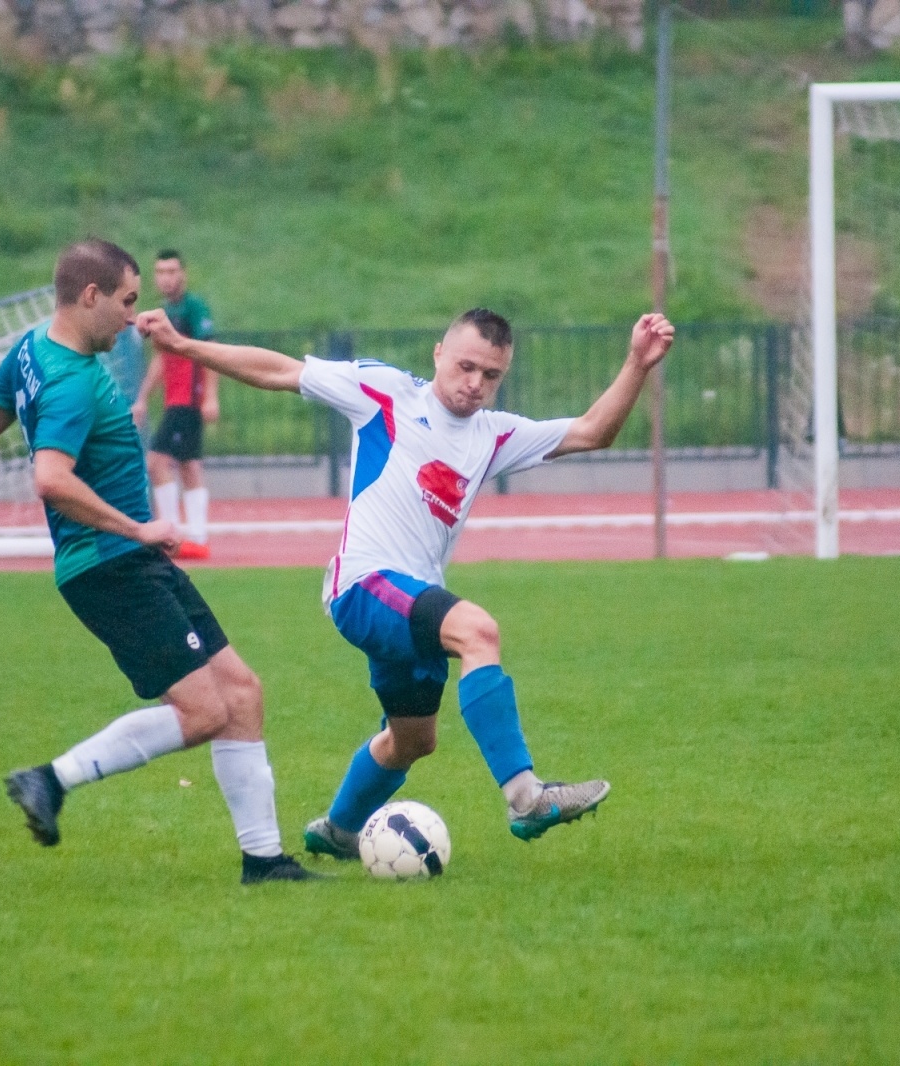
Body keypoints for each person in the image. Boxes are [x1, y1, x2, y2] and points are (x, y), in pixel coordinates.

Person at [135, 305, 676, 860]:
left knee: (413, 740)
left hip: (411, 600)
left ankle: (339, 831)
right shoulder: (386, 392)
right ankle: (525, 798)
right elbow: (279, 370)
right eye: (466, 367)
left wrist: (637, 363)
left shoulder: (494, 434)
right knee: (477, 631)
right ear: (438, 354)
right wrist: (183, 346)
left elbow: (593, 432)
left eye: (491, 376)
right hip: (364, 584)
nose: (475, 384)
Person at [0, 239, 317, 884]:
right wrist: (138, 528)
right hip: (109, 564)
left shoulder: (31, 349)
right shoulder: (71, 381)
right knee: (204, 712)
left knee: (243, 692)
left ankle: (265, 861)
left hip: (129, 560)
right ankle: (52, 780)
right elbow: (51, 479)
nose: (133, 318)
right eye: (127, 302)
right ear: (90, 297)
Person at [132, 250, 217, 560]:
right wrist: (143, 398)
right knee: (187, 464)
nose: (166, 277)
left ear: (183, 274)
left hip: (189, 398)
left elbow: (209, 352)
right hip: (174, 400)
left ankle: (172, 536)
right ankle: (195, 538)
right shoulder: (165, 311)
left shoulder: (194, 308)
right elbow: (161, 359)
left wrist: (210, 396)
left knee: (156, 463)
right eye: (160, 271)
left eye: (171, 271)